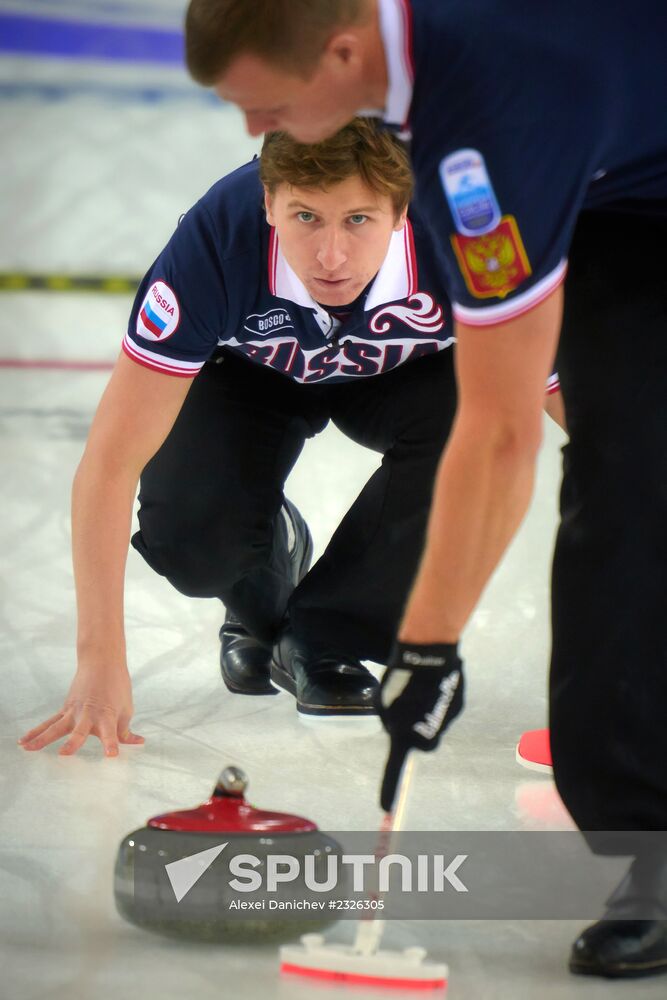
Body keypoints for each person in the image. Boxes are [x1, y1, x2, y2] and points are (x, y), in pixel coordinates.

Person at [183, 0, 667, 979]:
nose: (252, 135)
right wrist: (426, 642)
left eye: (267, 104)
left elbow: (493, 437)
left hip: (614, 137)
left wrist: (427, 643)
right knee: (622, 479)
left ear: (345, 54)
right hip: (618, 188)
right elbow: (505, 411)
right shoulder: (424, 109)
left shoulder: (483, 124)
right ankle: (651, 853)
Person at [17, 118, 463, 750]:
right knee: (193, 548)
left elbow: (580, 425)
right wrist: (97, 661)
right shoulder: (215, 241)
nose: (331, 256)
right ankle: (270, 562)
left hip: (409, 373)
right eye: (305, 217)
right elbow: (109, 464)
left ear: (401, 210)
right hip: (254, 374)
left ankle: (328, 634)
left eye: (358, 219)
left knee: (485, 426)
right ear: (267, 202)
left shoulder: (468, 233)